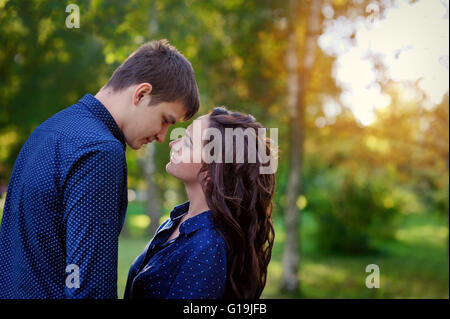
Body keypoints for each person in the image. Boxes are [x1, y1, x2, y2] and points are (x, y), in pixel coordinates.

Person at [0, 40, 200, 299]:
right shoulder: (101, 152)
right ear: (141, 94)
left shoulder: (52, 128)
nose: (162, 136)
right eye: (165, 120)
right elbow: (90, 288)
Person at [124, 107, 276, 299]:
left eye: (187, 142)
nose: (173, 143)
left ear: (212, 170)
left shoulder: (208, 248)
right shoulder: (178, 220)